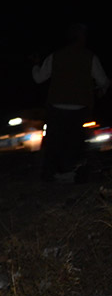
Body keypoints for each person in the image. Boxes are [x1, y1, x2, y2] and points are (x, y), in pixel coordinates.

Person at [32, 23, 108, 182]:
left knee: (55, 141)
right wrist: (101, 90)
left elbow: (39, 78)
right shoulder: (90, 57)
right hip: (80, 106)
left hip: (56, 106)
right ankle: (71, 172)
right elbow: (103, 81)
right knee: (75, 141)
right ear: (81, 37)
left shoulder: (56, 56)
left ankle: (51, 174)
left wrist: (35, 65)